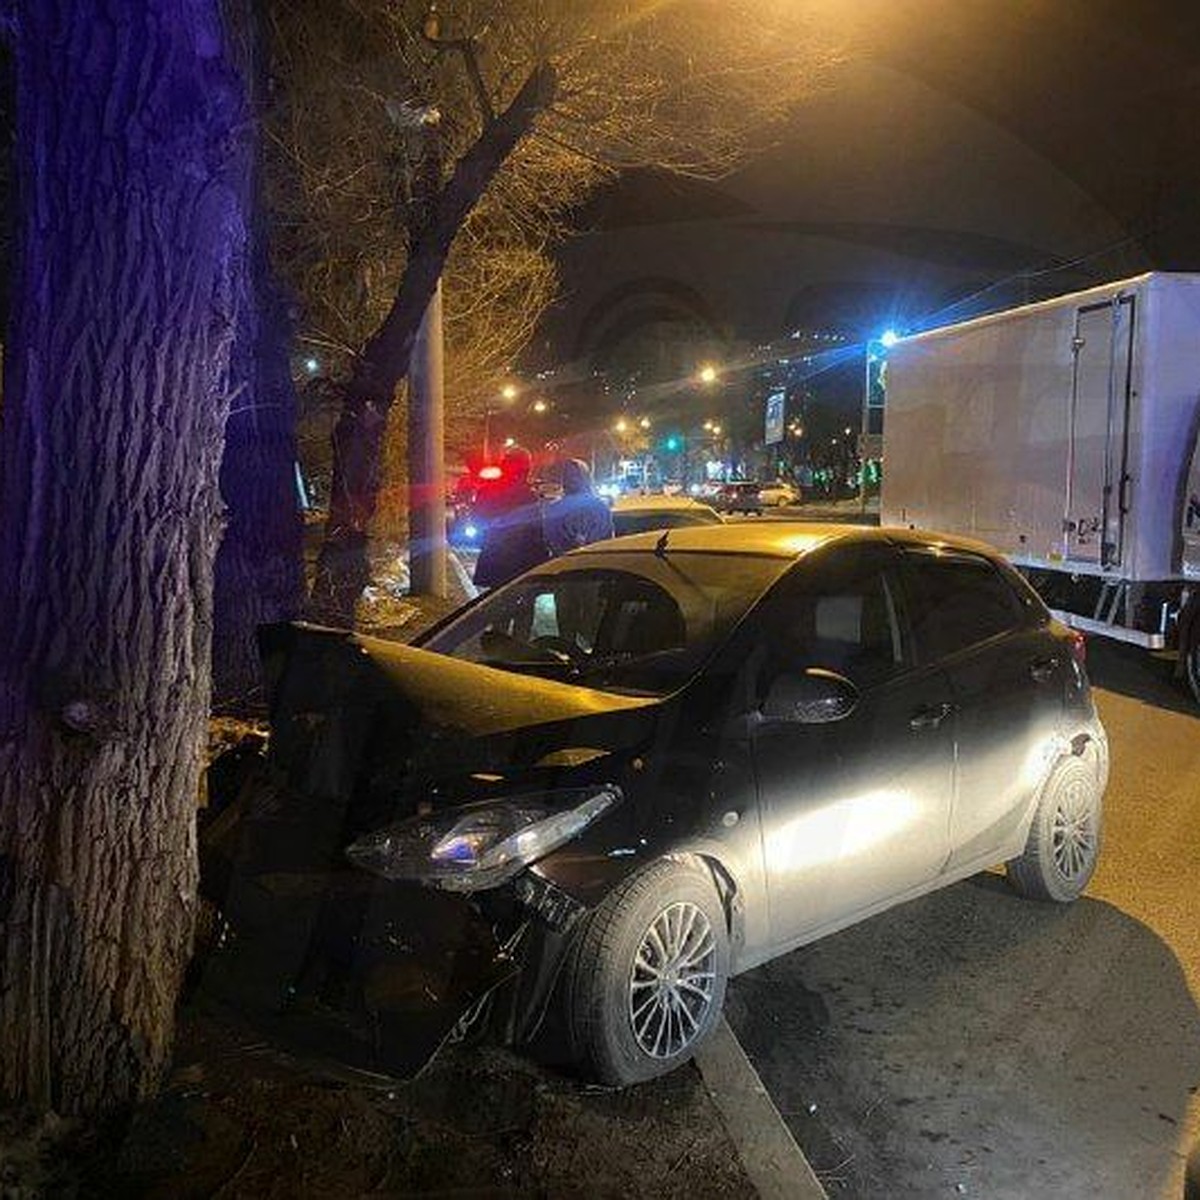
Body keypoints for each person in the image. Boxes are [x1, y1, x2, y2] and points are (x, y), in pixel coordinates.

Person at [473, 446, 549, 589]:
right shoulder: (528, 496)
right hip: (521, 563)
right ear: (525, 469)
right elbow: (536, 534)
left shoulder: (486, 491)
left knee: (494, 603)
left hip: (494, 559)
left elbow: (478, 522)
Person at [544, 458, 614, 556]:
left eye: (575, 475)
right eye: (568, 475)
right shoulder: (600, 507)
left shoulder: (599, 507)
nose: (571, 479)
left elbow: (550, 541)